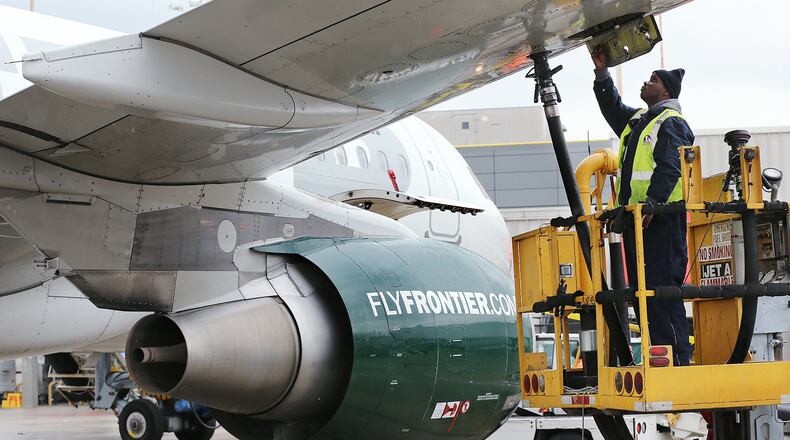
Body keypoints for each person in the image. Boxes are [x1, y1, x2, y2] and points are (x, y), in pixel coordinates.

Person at [591, 47, 693, 366]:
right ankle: (657, 358)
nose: (645, 84)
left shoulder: (671, 122)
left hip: (661, 219)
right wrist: (602, 74)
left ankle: (677, 361)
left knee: (661, 291)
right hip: (639, 220)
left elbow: (669, 166)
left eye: (652, 80)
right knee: (642, 293)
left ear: (666, 90)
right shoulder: (638, 120)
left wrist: (653, 204)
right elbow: (612, 107)